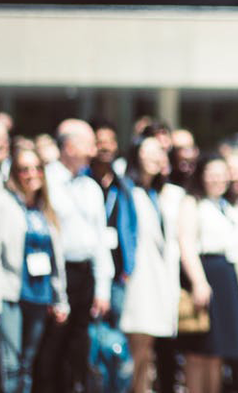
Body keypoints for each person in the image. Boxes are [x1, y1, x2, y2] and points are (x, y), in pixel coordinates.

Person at [0, 145, 70, 393]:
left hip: (39, 295)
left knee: (28, 364)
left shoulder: (45, 209)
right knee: (10, 363)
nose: (31, 174)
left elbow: (56, 260)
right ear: (14, 174)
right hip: (11, 294)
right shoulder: (2, 203)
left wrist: (60, 298)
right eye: (24, 170)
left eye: (36, 168)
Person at [34, 119, 113, 393]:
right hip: (55, 274)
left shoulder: (91, 187)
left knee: (77, 350)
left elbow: (101, 240)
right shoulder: (45, 181)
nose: (94, 149)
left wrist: (102, 288)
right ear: (68, 145)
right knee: (49, 350)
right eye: (88, 142)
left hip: (84, 275)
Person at [177, 154, 238, 393]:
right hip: (206, 273)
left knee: (219, 351)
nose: (217, 180)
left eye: (221, 175)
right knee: (198, 350)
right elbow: (187, 244)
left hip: (228, 278)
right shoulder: (193, 203)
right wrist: (199, 282)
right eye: (212, 174)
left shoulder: (231, 207)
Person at [120, 137, 183, 393]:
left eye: (160, 153)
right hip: (137, 279)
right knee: (137, 346)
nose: (157, 158)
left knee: (148, 349)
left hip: (158, 279)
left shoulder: (160, 194)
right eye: (149, 152)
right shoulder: (127, 190)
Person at [88, 118, 137, 392]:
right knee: (90, 341)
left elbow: (131, 230)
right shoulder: (83, 182)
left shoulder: (123, 185)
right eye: (99, 141)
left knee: (115, 340)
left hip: (118, 274)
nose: (105, 147)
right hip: (89, 273)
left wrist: (130, 266)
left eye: (110, 141)